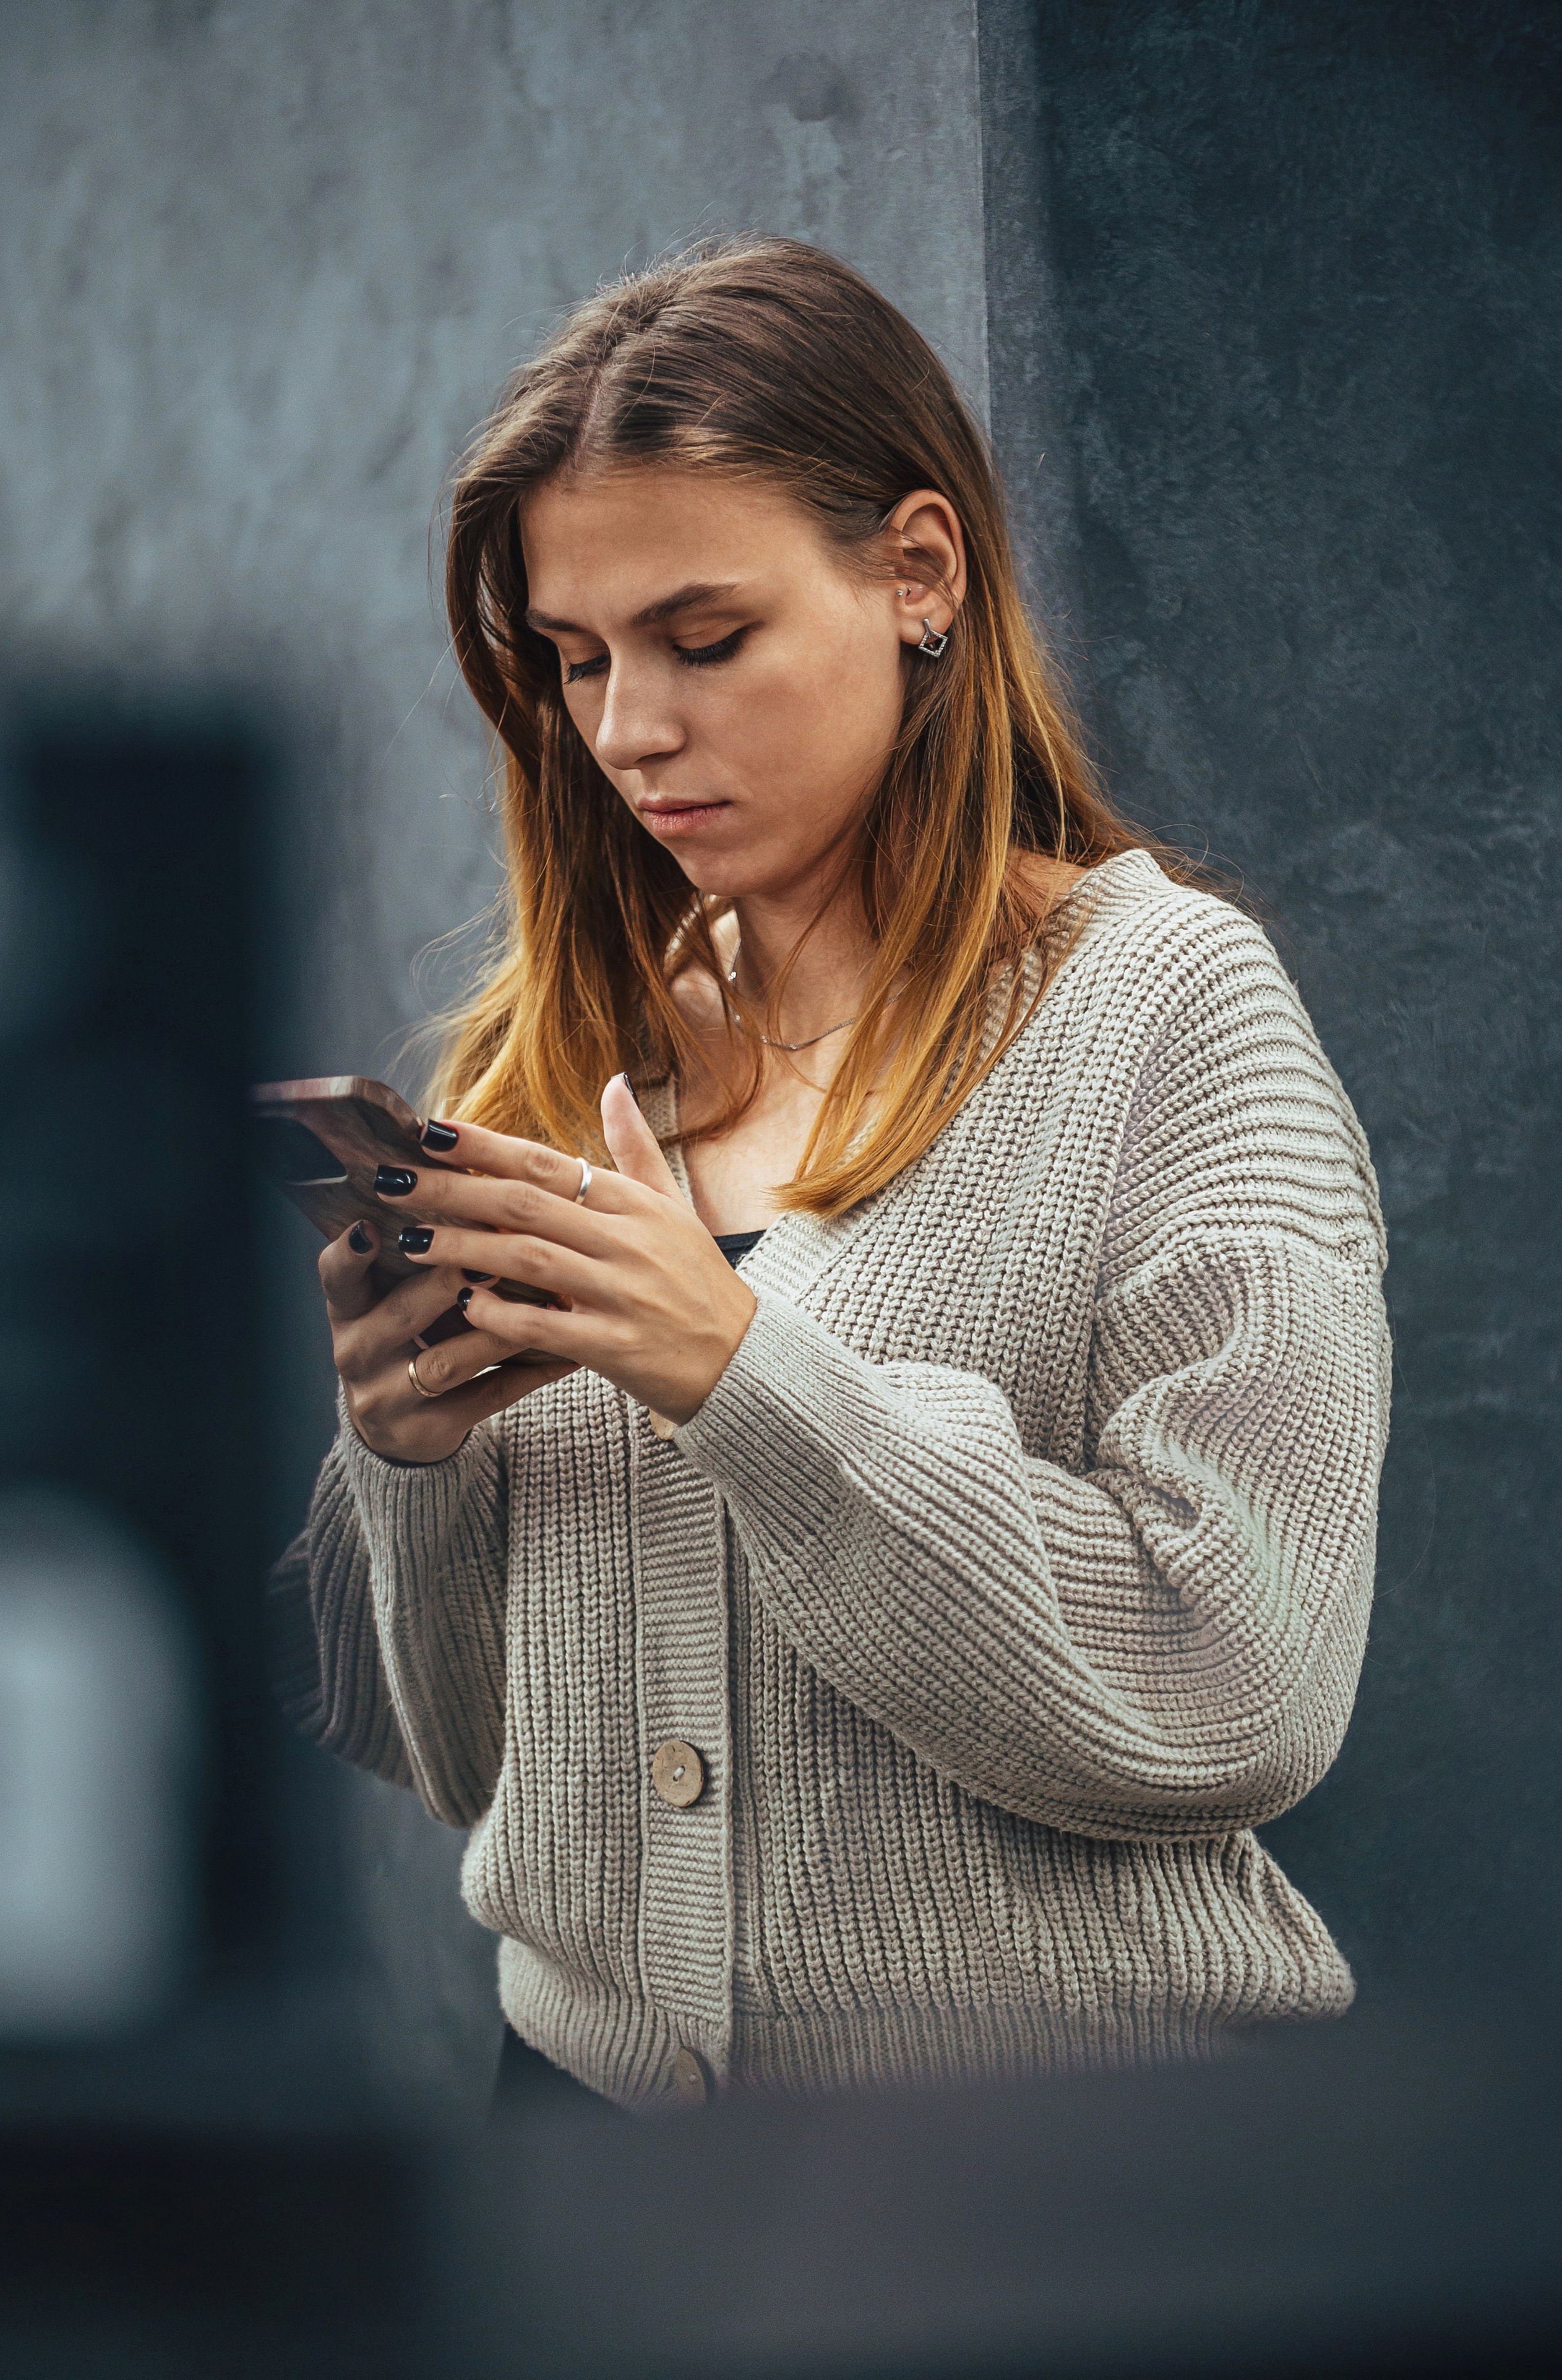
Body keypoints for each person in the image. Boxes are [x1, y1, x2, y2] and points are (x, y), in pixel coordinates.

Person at [272, 239, 1390, 2110]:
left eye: (705, 640)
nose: (628, 729)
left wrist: (739, 1373)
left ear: (918, 575)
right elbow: (467, 1766)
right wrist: (410, 1460)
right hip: (588, 2137)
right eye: (576, 659)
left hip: (1051, 2168)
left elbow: (1238, 1688)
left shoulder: (1167, 1011)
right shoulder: (558, 1059)